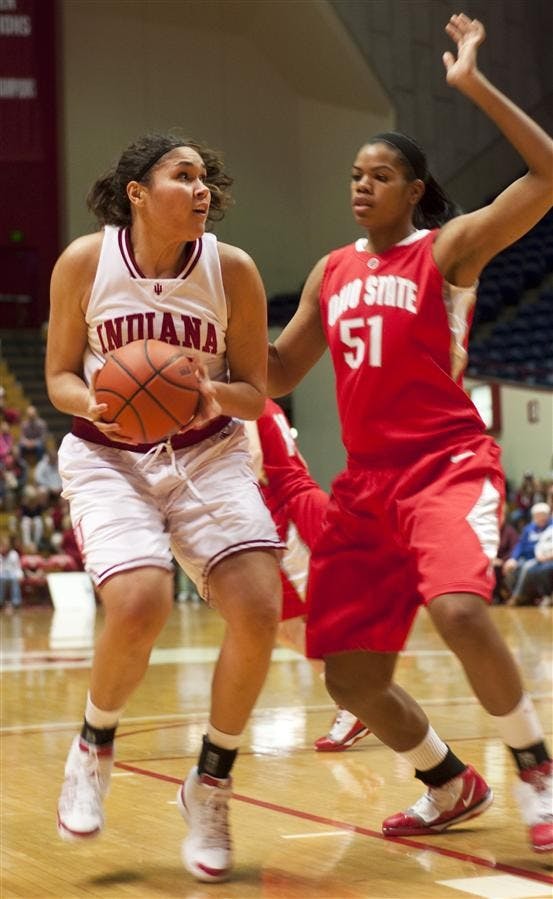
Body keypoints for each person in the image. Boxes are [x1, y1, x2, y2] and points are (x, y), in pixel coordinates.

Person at [267, 13, 553, 854]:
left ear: (415, 190)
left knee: (461, 609)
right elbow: (280, 374)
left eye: (380, 174)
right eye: (355, 173)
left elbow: (544, 175)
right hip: (365, 486)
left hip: (446, 468)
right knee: (351, 676)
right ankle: (448, 781)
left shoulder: (448, 251)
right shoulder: (331, 269)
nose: (360, 185)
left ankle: (534, 770)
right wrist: (209, 360)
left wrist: (472, 84)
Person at [45, 131, 284, 883]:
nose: (203, 188)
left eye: (206, 177)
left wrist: (212, 393)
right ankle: (93, 742)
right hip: (108, 451)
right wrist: (104, 401)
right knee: (140, 599)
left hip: (207, 451)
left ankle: (209, 781)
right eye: (184, 176)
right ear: (138, 193)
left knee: (257, 607)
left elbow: (257, 387)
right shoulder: (86, 262)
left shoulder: (232, 270)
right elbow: (56, 375)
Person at [245, 398, 370, 752]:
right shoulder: (260, 401)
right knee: (289, 624)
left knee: (299, 623)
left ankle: (360, 701)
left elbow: (251, 466)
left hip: (284, 512)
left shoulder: (240, 401)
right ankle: (360, 698)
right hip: (291, 504)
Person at [503, 502, 552, 604]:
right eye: (538, 516)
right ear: (533, 517)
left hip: (542, 558)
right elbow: (520, 545)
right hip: (526, 557)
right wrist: (513, 559)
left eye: (543, 515)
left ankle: (517, 596)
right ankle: (524, 596)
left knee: (526, 567)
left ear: (548, 516)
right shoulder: (528, 528)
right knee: (511, 568)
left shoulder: (551, 528)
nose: (541, 518)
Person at [0, 533, 23, 610]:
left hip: (12, 573)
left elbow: (17, 567)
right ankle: (0, 601)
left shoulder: (14, 554)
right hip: (2, 574)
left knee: (14, 579)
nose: (4, 547)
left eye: (6, 545)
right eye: (3, 545)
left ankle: (16, 602)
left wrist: (20, 575)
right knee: (1, 579)